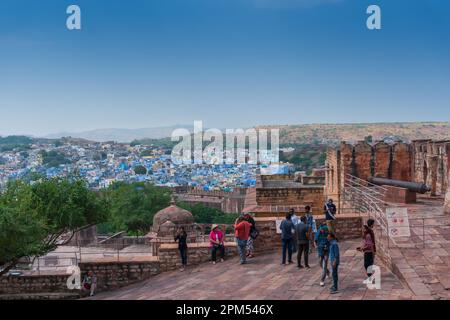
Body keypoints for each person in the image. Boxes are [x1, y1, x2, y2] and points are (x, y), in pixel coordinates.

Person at [315, 222, 330, 287]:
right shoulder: (318, 233)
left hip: (326, 250)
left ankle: (322, 280)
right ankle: (327, 271)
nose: (323, 230)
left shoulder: (328, 233)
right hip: (320, 250)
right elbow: (315, 240)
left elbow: (331, 240)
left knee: (325, 264)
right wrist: (316, 245)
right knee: (320, 263)